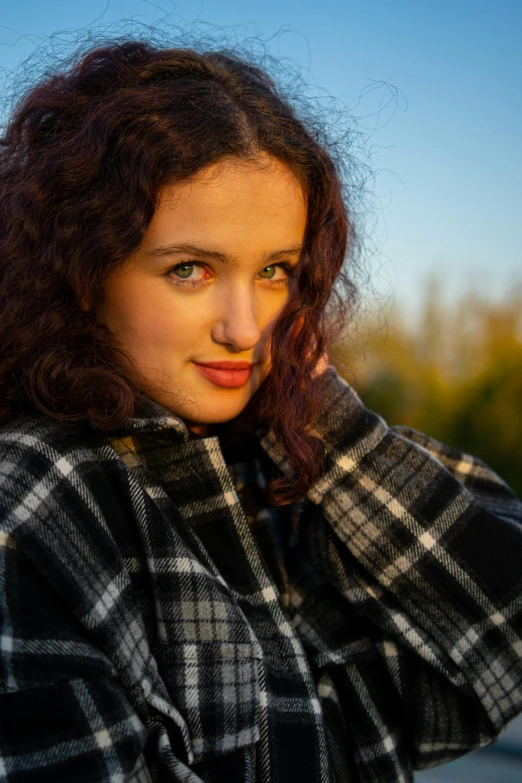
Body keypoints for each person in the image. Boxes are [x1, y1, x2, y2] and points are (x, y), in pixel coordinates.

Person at [0, 39, 521, 783]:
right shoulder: (35, 497)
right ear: (82, 271)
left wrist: (324, 421)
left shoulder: (270, 477)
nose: (246, 328)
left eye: (275, 271)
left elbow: (499, 645)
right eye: (191, 269)